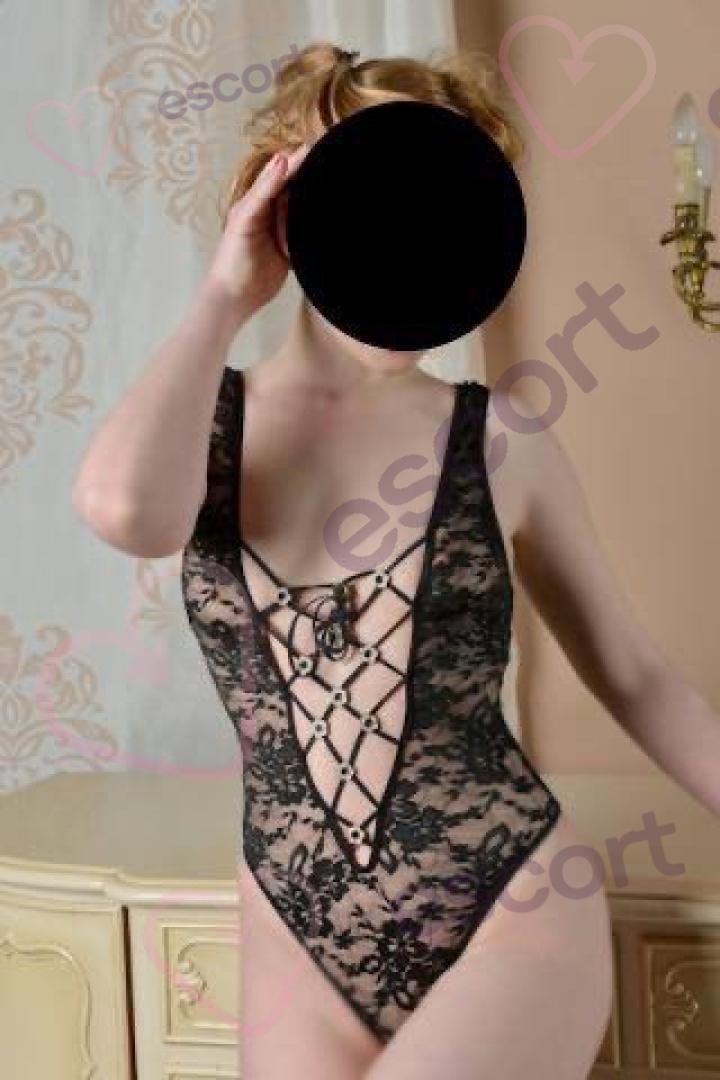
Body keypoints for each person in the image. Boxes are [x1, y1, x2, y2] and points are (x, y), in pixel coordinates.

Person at [72, 40, 720, 1080]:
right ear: (287, 207)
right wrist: (225, 295)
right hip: (294, 932)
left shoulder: (499, 438)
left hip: (509, 907)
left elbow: (635, 676)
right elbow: (123, 511)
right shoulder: (208, 423)